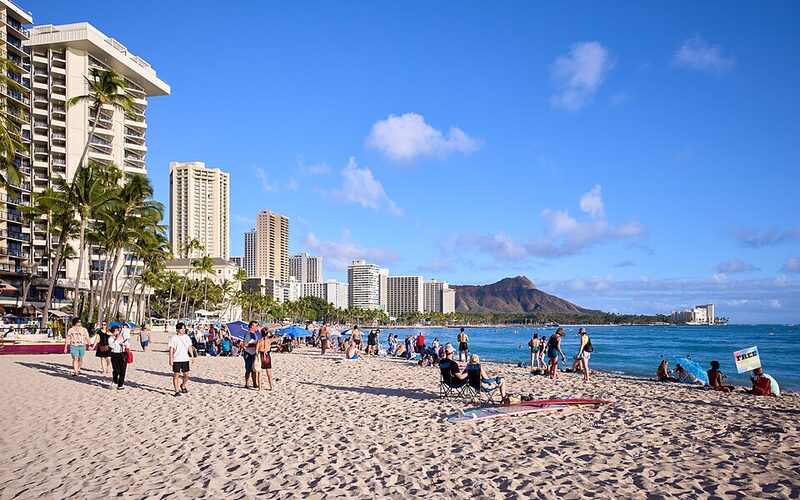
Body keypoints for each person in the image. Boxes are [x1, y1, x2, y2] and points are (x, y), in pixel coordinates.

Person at [169, 322, 195, 397]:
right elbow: (171, 349)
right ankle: (176, 391)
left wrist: (192, 356)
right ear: (177, 329)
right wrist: (170, 359)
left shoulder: (187, 337)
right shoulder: (173, 338)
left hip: (185, 359)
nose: (183, 330)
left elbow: (189, 347)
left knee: (186, 375)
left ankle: (183, 385)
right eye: (182, 328)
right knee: (176, 375)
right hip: (177, 359)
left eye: (184, 328)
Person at [108, 325, 130, 390]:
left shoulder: (123, 338)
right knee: (116, 370)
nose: (116, 332)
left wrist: (125, 344)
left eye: (117, 330)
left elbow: (128, 345)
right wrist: (117, 339)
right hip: (114, 354)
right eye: (115, 331)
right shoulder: (110, 338)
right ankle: (115, 380)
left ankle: (120, 384)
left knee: (123, 370)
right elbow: (112, 346)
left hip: (123, 354)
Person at [242, 321, 260, 388]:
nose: (257, 327)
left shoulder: (254, 334)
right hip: (248, 353)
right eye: (256, 326)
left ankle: (254, 383)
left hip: (253, 353)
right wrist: (254, 344)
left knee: (254, 369)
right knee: (248, 369)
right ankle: (246, 384)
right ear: (252, 326)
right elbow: (245, 344)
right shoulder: (248, 334)